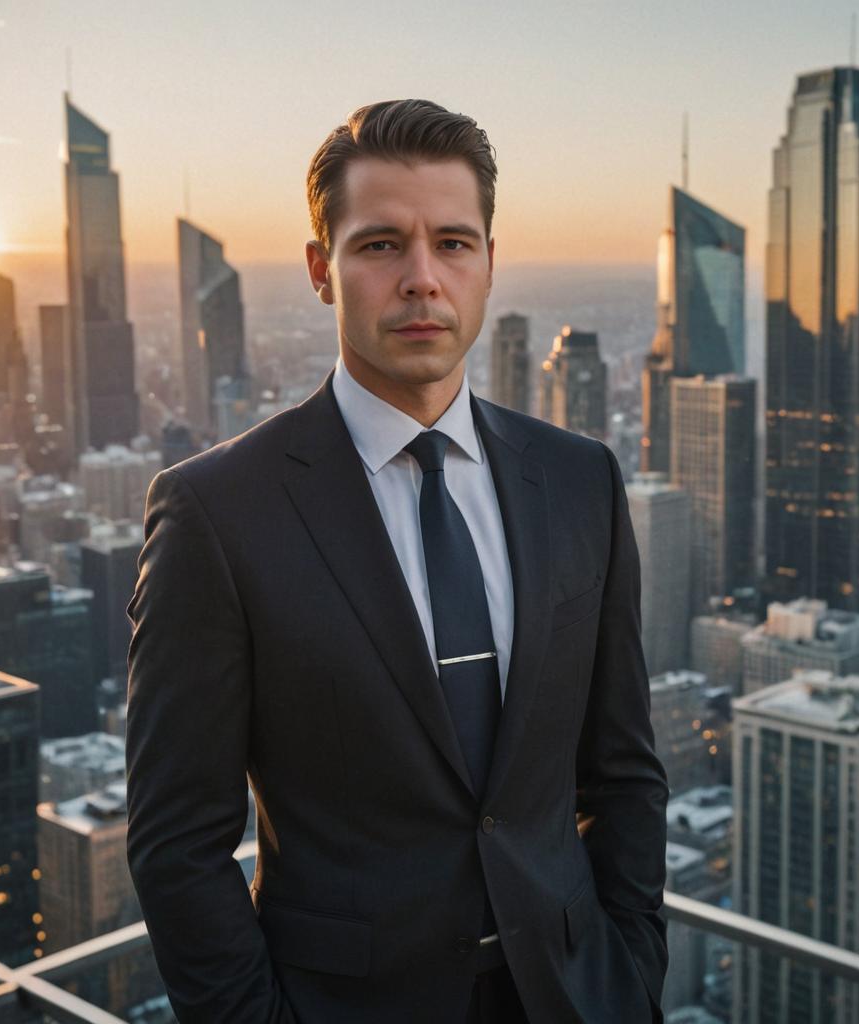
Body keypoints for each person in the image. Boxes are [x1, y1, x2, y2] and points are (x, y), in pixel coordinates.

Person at [125, 98, 668, 1024]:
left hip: (577, 995)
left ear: (490, 263)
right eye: (381, 245)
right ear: (320, 270)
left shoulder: (580, 479)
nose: (423, 279)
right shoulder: (218, 513)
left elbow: (622, 771)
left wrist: (631, 968)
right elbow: (178, 841)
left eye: (454, 242)